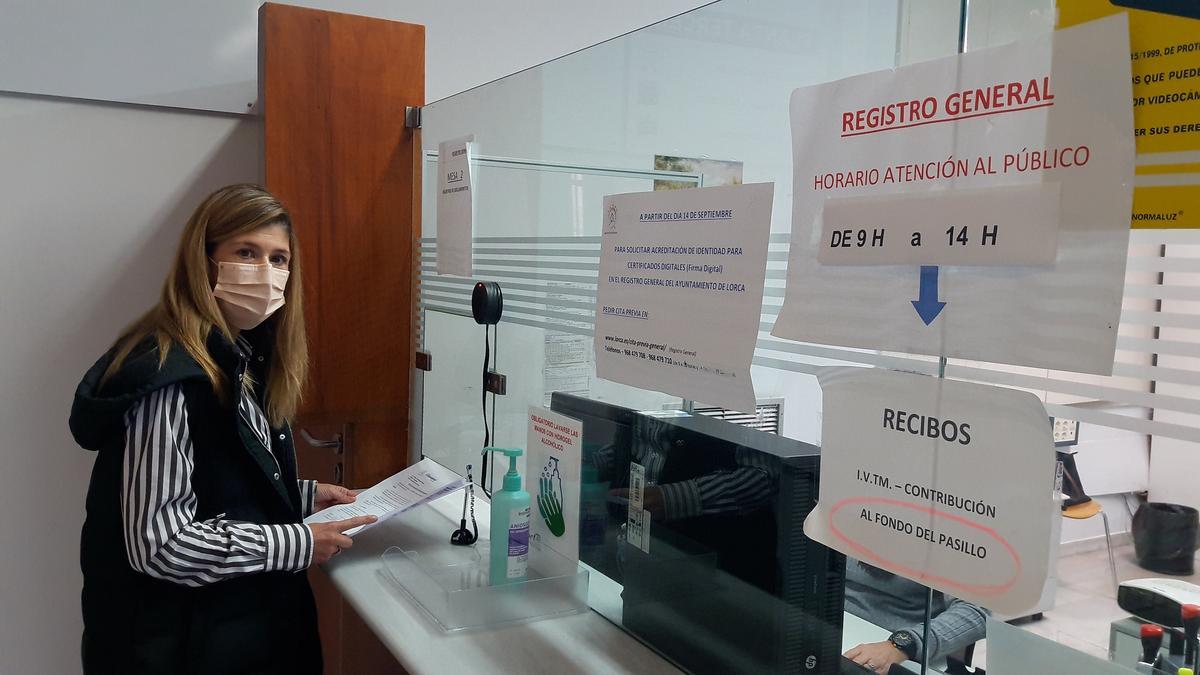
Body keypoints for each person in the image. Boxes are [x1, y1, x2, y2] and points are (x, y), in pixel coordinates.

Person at [69, 184, 375, 674]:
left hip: (225, 635)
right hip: (175, 647)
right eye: (247, 253)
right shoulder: (171, 374)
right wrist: (296, 542)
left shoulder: (233, 355)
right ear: (205, 260)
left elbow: (213, 479)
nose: (267, 274)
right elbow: (161, 543)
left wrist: (301, 497)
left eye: (279, 259)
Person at [843, 559, 989, 673]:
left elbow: (975, 610)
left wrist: (903, 645)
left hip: (899, 646)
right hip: (835, 625)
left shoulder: (946, 529)